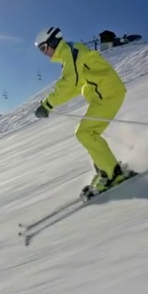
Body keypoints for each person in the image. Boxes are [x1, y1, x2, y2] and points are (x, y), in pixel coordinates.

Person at [33, 26, 133, 196]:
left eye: (44, 49)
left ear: (52, 42)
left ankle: (113, 174)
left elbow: (69, 81)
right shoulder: (70, 52)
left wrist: (48, 104)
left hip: (108, 93)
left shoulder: (70, 52)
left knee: (85, 133)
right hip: (104, 94)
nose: (45, 54)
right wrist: (50, 104)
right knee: (86, 133)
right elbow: (76, 86)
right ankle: (105, 170)